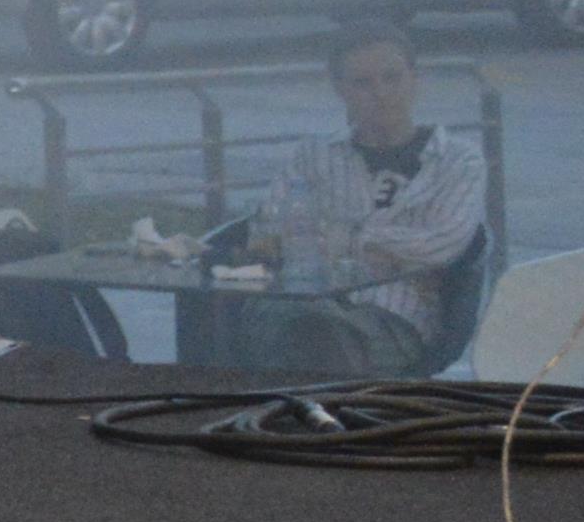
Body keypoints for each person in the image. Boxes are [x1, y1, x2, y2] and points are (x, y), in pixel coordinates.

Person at [209, 22, 492, 377]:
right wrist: (391, 255)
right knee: (285, 325)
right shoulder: (313, 157)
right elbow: (269, 232)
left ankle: (321, 407)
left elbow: (442, 244)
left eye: (392, 78)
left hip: (394, 315)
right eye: (363, 83)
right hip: (299, 304)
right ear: (340, 89)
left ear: (414, 79)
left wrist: (333, 239)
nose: (381, 93)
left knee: (320, 338)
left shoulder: (457, 161)